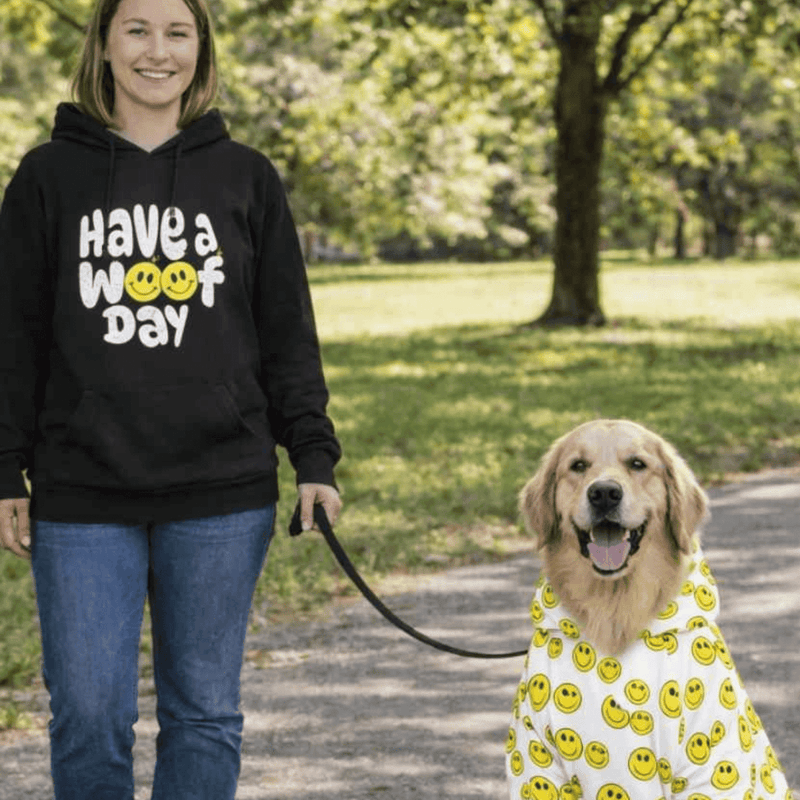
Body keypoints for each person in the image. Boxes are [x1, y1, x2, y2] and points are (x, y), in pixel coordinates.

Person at [0, 0, 342, 797]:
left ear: (201, 49)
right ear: (106, 46)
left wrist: (315, 459)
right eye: (138, 30)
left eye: (177, 32)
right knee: (87, 714)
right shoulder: (48, 176)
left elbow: (288, 332)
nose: (159, 51)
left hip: (222, 491)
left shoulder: (246, 176)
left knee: (204, 716)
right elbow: (11, 335)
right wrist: (3, 467)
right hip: (82, 493)